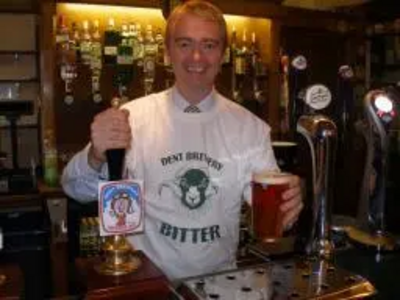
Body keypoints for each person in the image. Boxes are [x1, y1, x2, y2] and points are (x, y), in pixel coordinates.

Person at [62, 0, 303, 281]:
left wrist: (291, 206)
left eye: (209, 45)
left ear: (223, 55)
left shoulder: (250, 128)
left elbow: (275, 213)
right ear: (167, 52)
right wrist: (95, 156)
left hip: (219, 287)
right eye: (185, 44)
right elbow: (74, 188)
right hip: (149, 286)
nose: (197, 57)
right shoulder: (132, 118)